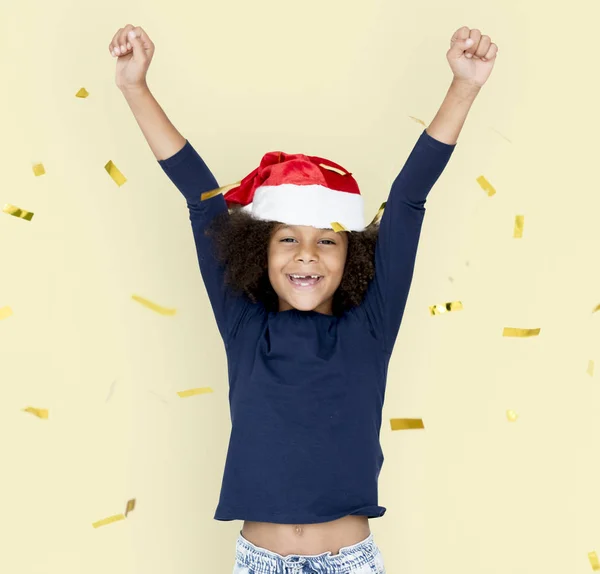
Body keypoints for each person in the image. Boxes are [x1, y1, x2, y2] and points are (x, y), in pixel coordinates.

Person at [109, 23, 498, 573]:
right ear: (257, 253)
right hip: (258, 562)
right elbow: (202, 198)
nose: (307, 255)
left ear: (354, 256)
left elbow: (409, 198)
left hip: (350, 562)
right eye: (287, 239)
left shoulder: (371, 325)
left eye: (328, 241)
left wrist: (464, 86)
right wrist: (135, 88)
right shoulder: (243, 323)